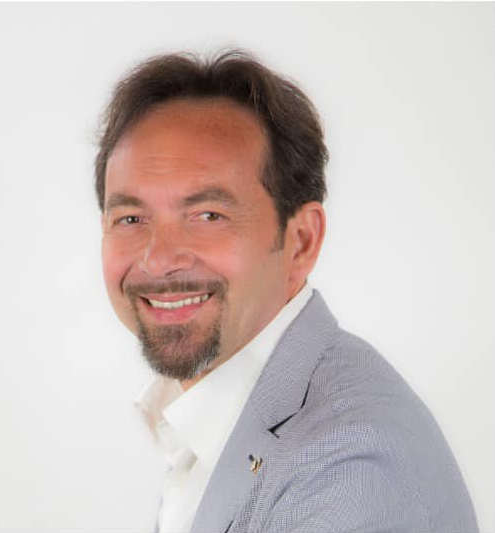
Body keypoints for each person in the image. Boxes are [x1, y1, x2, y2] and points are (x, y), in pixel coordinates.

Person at [96, 50, 478, 533]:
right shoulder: (227, 415)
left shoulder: (349, 471)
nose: (158, 258)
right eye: (131, 218)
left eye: (208, 215)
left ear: (301, 241)